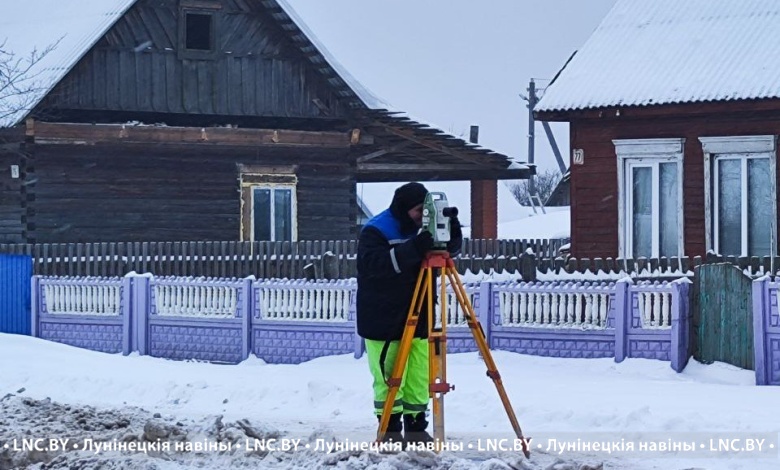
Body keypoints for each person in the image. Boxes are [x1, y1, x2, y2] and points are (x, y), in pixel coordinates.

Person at [356, 182, 462, 445]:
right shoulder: (377, 230)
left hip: (420, 315)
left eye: (424, 212)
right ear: (404, 209)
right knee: (390, 378)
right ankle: (390, 431)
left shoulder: (422, 230)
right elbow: (375, 267)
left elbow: (447, 251)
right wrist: (414, 247)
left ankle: (416, 428)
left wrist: (451, 232)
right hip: (384, 320)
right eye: (418, 211)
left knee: (417, 377)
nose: (421, 217)